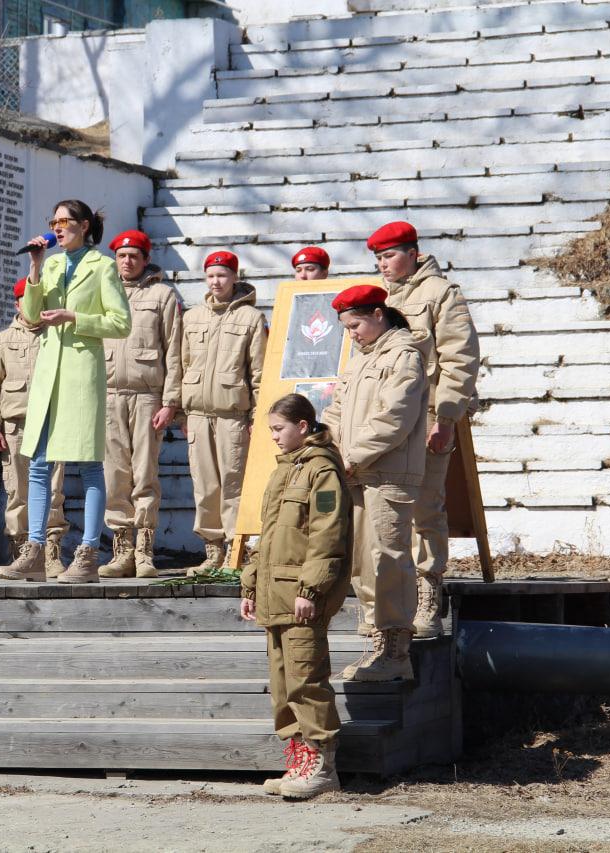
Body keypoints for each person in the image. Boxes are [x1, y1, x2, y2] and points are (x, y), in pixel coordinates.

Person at [0, 199, 131, 584]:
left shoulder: (102, 265)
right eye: (53, 222)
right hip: (48, 373)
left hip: (81, 373)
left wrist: (76, 317)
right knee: (38, 463)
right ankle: (35, 549)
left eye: (65, 222)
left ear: (84, 226)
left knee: (88, 465)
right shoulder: (51, 263)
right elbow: (32, 315)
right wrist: (35, 267)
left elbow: (121, 323)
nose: (57, 228)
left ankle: (88, 552)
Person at [369, 222, 480, 640]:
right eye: (378, 258)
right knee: (389, 506)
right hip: (388, 418)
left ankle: (428, 591)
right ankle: (393, 599)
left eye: (389, 256)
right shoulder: (380, 301)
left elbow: (460, 356)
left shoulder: (440, 294)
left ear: (413, 253)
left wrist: (446, 417)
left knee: (426, 506)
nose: (383, 265)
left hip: (428, 414)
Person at [241, 393, 352, 800]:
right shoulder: (284, 472)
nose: (272, 437)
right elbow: (268, 535)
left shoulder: (321, 471)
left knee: (306, 679)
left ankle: (323, 766)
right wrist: (250, 584)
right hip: (275, 593)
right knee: (283, 683)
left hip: (300, 594)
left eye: (278, 428)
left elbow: (328, 535)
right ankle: (299, 760)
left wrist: (312, 588)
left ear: (302, 426)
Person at [321, 284, 430, 682]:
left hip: (388, 473)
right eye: (347, 328)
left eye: (355, 325)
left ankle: (397, 650)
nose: (352, 334)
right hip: (357, 472)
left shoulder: (403, 356)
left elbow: (394, 418)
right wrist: (330, 450)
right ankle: (376, 643)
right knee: (362, 563)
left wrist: (354, 455)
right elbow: (335, 410)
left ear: (377, 315)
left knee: (387, 559)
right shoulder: (360, 360)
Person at [97, 229, 182, 580]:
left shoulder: (162, 295)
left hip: (148, 396)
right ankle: (122, 550)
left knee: (145, 474)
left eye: (134, 255)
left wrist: (171, 401)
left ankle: (145, 550)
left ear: (146, 259)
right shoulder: (102, 293)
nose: (127, 261)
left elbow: (175, 351)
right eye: (121, 255)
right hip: (109, 394)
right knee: (115, 475)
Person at [180, 251, 267, 574]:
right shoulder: (192, 317)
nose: (216, 281)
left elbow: (257, 371)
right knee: (204, 484)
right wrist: (180, 411)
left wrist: (258, 416)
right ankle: (213, 549)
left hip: (233, 414)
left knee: (234, 482)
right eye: (211, 275)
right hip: (199, 414)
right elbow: (182, 363)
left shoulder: (251, 318)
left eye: (222, 275)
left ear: (235, 277)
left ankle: (237, 548)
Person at [0, 278, 70, 575]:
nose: (30, 305)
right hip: (16, 424)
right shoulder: (2, 339)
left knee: (52, 489)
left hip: (52, 422)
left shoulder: (58, 335)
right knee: (17, 491)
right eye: (25, 300)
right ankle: (22, 551)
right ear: (17, 303)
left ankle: (50, 551)